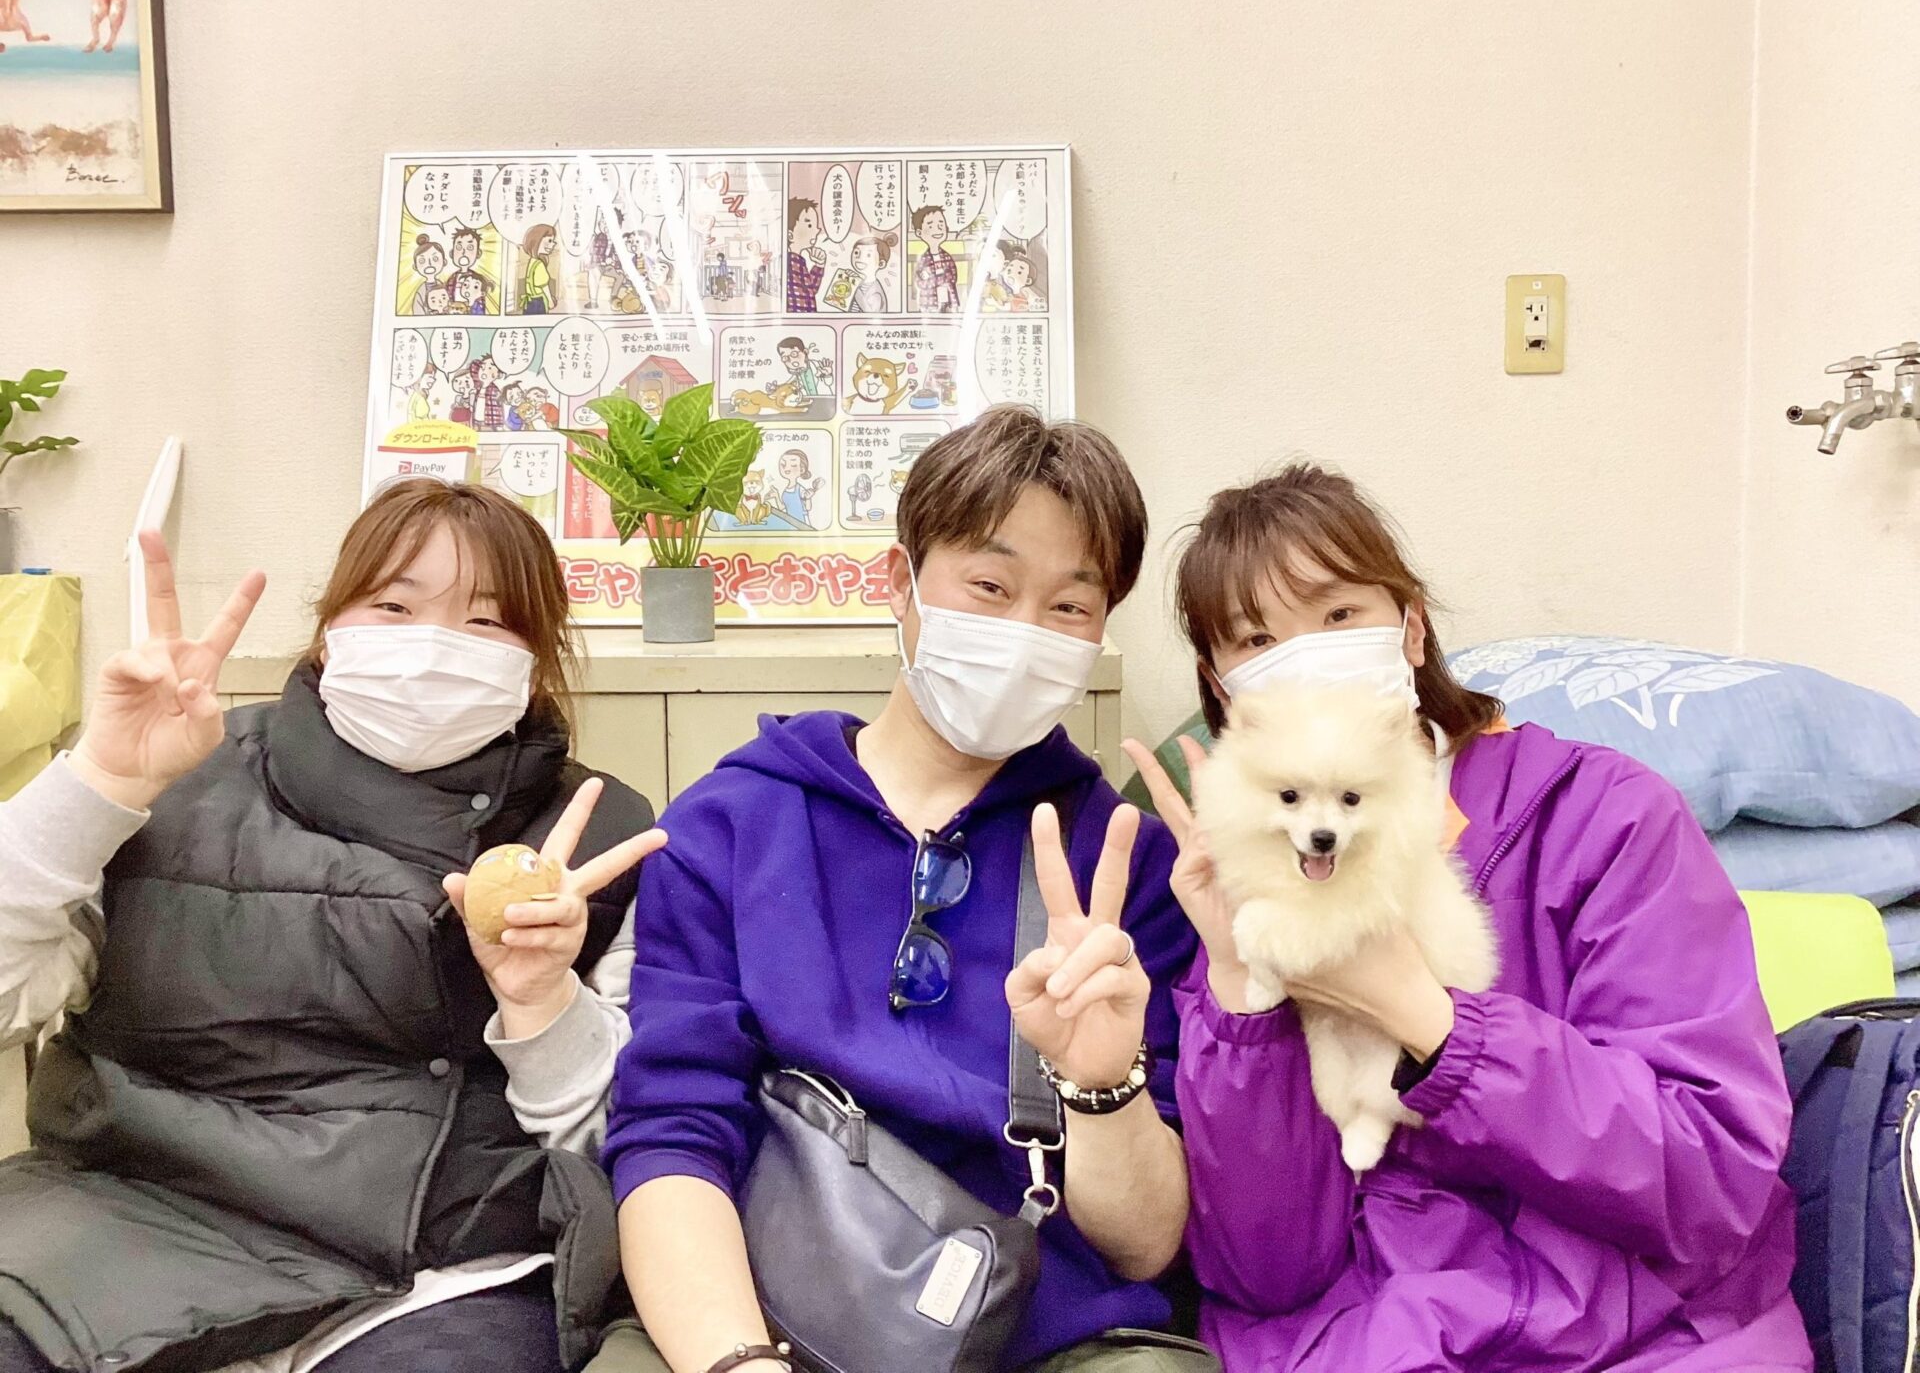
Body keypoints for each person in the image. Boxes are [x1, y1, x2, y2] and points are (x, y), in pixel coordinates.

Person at [1123, 464, 1810, 1373]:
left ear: (1410, 627)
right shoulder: (1236, 883)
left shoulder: (1604, 818)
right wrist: (1241, 1003)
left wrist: (1439, 1028)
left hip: (1644, 1333)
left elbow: (1709, 1174)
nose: (1306, 659)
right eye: (1257, 640)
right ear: (1222, 689)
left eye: (1338, 615)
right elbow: (1262, 1274)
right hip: (1371, 1345)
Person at [592, 406, 1213, 1373]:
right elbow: (673, 1134)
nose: (1023, 632)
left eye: (1068, 607)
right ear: (901, 582)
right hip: (755, 1308)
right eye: (990, 586)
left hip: (1045, 1330)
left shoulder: (1123, 863)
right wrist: (739, 1362)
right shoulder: (731, 824)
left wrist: (1102, 1088)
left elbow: (1144, 1247)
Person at [0, 480, 666, 1373]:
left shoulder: (599, 835)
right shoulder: (177, 779)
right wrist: (100, 781)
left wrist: (542, 1000)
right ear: (328, 630)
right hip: (123, 1216)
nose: (432, 645)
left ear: (536, 661)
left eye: (486, 621)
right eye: (393, 607)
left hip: (438, 1274)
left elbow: (625, 1136)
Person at [912, 204, 960, 313]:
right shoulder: (923, 260)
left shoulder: (946, 257)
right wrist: (940, 280)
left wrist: (936, 279)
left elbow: (953, 276)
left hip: (948, 299)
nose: (937, 230)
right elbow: (921, 282)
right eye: (930, 226)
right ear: (919, 233)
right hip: (929, 302)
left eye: (941, 225)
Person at [786, 197, 826, 312]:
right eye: (809, 226)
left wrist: (819, 265)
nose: (817, 230)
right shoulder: (791, 261)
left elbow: (810, 289)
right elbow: (806, 291)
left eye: (816, 226)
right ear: (790, 235)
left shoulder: (798, 260)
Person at [847, 232, 896, 313]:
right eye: (856, 252)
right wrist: (848, 281)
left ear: (881, 264)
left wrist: (854, 286)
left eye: (868, 255)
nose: (860, 257)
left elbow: (870, 312)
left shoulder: (876, 291)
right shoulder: (859, 283)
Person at [521, 224, 559, 315]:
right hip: (538, 302)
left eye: (553, 241)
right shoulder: (539, 265)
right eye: (549, 241)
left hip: (529, 302)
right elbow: (544, 287)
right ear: (537, 240)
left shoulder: (532, 261)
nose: (553, 244)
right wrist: (550, 302)